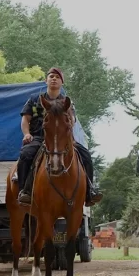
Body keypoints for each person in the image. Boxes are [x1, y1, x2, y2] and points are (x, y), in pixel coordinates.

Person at [16, 67, 103, 207]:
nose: (54, 78)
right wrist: (27, 134)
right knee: (25, 155)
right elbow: (25, 119)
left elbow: (72, 120)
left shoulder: (67, 101)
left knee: (85, 155)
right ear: (46, 80)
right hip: (39, 137)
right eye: (51, 76)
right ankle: (24, 191)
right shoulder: (34, 99)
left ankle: (90, 191)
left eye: (57, 77)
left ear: (62, 82)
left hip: (63, 138)